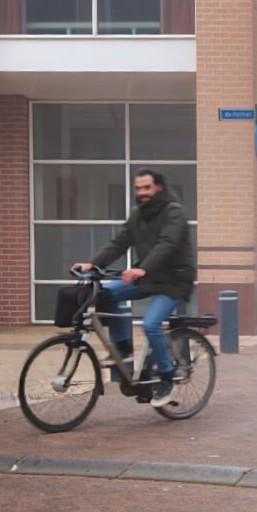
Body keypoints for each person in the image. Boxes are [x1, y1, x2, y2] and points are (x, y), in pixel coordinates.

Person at [72, 169, 195, 408]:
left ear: (158, 187)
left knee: (151, 324)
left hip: (174, 280)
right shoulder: (138, 214)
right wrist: (93, 264)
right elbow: (119, 243)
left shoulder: (174, 212)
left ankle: (167, 378)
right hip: (149, 276)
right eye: (138, 188)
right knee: (107, 293)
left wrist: (143, 268)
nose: (142, 192)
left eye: (147, 187)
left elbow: (167, 244)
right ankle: (123, 349)